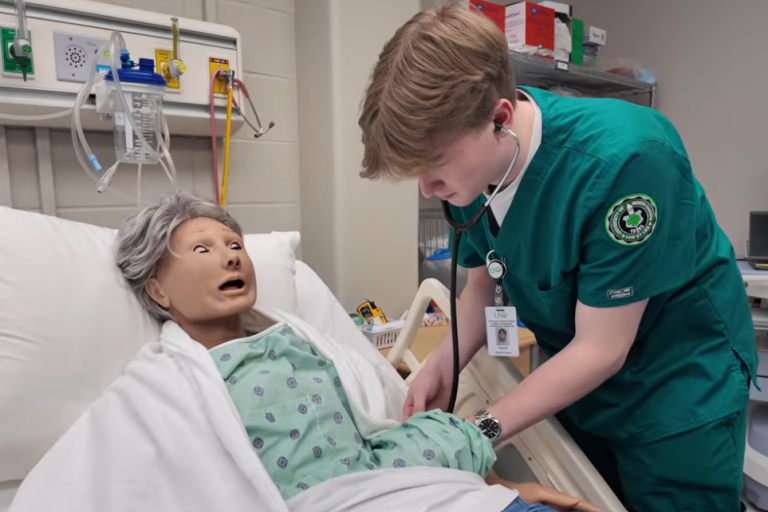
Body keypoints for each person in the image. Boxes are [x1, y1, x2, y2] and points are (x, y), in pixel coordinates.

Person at [357, 4, 756, 512]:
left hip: (676, 386)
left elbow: (601, 349)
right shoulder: (482, 165)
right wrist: (444, 362)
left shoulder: (627, 162)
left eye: (434, 168)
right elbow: (483, 282)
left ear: (499, 118)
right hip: (584, 383)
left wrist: (478, 430)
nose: (426, 187)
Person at [112, 191, 599, 512]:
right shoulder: (161, 384)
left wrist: (496, 489)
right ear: (157, 291)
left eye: (234, 243)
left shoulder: (298, 339)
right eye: (203, 250)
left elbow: (376, 445)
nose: (232, 255)